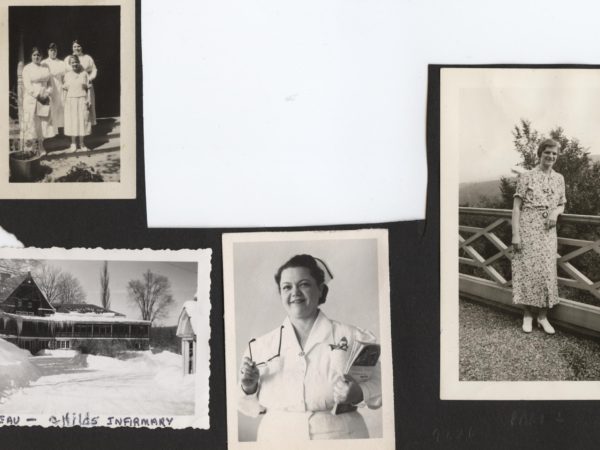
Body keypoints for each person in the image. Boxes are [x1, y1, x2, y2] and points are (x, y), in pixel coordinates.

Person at [238, 254, 382, 441]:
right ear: (281, 294)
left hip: (340, 437)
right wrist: (249, 387)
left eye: (304, 284)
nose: (295, 292)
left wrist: (359, 393)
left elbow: (382, 385)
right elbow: (246, 406)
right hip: (277, 439)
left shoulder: (355, 338)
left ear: (321, 290)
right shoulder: (259, 346)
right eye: (287, 287)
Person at [512, 139, 566, 334]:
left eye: (554, 154)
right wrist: (516, 234)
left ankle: (542, 317)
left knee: (546, 272)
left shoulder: (559, 178)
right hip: (527, 229)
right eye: (547, 153)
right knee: (527, 270)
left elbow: (562, 203)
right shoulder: (526, 177)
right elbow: (516, 207)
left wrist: (555, 213)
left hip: (548, 232)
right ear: (540, 154)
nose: (551, 156)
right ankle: (527, 315)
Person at [22, 46, 56, 154]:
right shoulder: (27, 68)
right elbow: (27, 85)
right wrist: (37, 95)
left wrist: (48, 93)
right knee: (32, 121)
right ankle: (31, 147)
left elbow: (50, 83)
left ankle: (41, 146)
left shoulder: (45, 67)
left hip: (44, 97)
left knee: (42, 123)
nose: (37, 57)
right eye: (34, 55)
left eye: (38, 55)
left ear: (41, 56)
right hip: (32, 98)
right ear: (31, 56)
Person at [62, 55, 91, 152]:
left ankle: (82, 143)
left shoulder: (84, 74)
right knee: (72, 121)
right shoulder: (67, 75)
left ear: (79, 62)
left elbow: (88, 89)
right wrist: (64, 101)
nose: (74, 64)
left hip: (82, 99)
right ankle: (73, 143)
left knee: (82, 121)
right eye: (72, 62)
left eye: (76, 62)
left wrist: (89, 99)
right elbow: (65, 89)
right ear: (70, 64)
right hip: (71, 100)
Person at [64, 40, 97, 125]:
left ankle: (87, 126)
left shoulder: (87, 58)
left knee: (87, 106)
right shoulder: (68, 58)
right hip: (73, 87)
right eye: (75, 46)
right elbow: (65, 72)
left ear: (82, 47)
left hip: (85, 85)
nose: (77, 48)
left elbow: (94, 69)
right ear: (72, 47)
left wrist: (90, 78)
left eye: (78, 46)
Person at [41, 43, 66, 133]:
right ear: (48, 51)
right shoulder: (44, 63)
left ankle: (61, 129)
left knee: (61, 107)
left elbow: (64, 77)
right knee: (51, 108)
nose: (53, 52)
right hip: (49, 87)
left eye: (55, 50)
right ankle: (52, 131)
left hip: (59, 88)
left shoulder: (61, 63)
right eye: (51, 50)